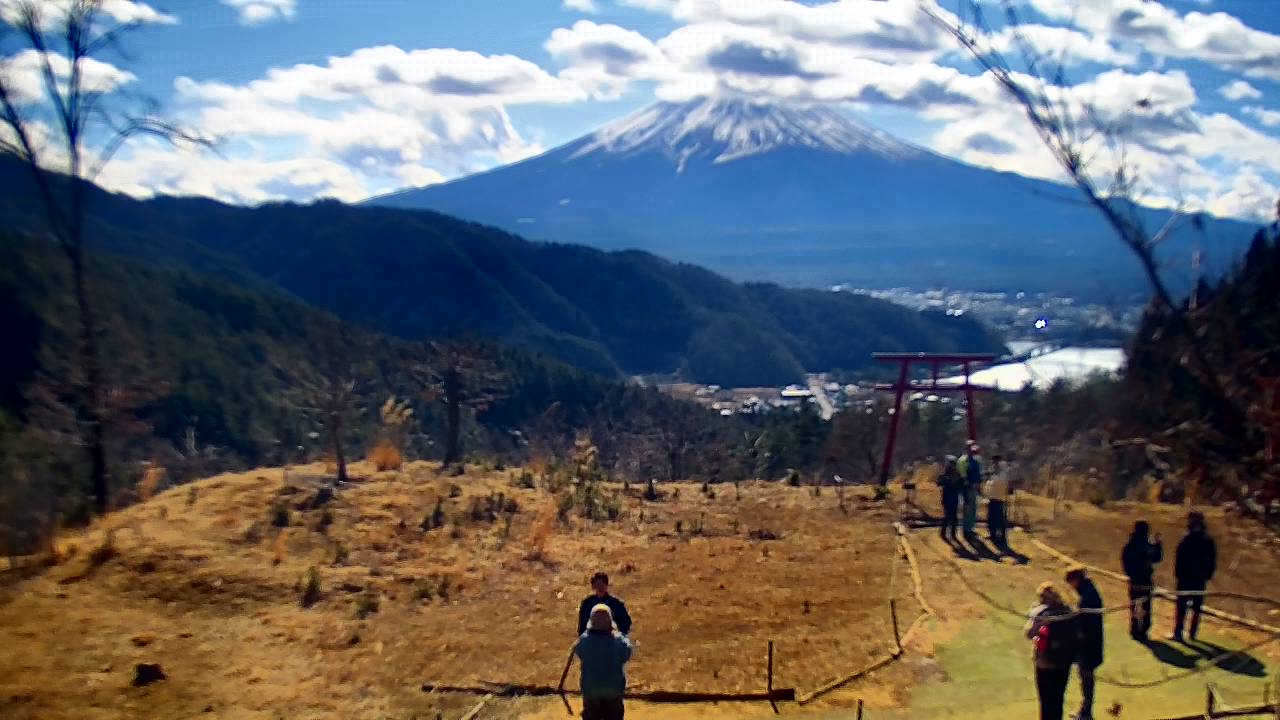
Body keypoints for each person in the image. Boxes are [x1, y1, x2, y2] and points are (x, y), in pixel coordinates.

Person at [1026, 582, 1078, 720]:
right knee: (1058, 699)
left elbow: (1029, 633)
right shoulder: (1068, 611)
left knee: (1046, 701)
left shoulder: (1041, 613)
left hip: (1044, 662)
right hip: (1063, 662)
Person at [574, 604, 633, 720]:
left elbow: (579, 651)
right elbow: (627, 654)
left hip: (591, 689)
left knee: (591, 714)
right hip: (614, 689)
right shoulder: (619, 641)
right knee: (614, 715)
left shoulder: (584, 641)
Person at [1172, 511, 1217, 642]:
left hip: (1192, 578)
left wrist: (1205, 573)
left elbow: (1210, 560)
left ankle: (1186, 633)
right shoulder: (1196, 539)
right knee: (1186, 606)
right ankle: (1183, 632)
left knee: (1191, 607)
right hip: (1191, 577)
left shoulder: (1199, 540)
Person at [1066, 567, 1103, 720]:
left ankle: (1086, 712)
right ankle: (1085, 710)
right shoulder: (1089, 592)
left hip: (1088, 647)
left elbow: (1084, 622)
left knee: (1086, 679)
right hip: (1092, 644)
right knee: (1086, 679)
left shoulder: (1088, 597)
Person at [1120, 520, 1162, 641]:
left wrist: (1157, 545)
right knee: (1144, 606)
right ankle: (1142, 630)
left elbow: (1155, 558)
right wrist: (1157, 546)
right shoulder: (1142, 546)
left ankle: (1136, 629)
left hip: (1137, 580)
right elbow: (1156, 558)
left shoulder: (1131, 545)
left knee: (1137, 606)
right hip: (1142, 579)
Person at [578, 572, 633, 636]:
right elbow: (582, 626)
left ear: (606, 585)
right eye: (597, 585)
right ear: (593, 586)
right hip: (592, 638)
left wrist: (618, 636)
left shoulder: (616, 603)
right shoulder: (587, 603)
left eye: (602, 584)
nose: (600, 587)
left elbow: (626, 623)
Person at [956, 443, 983, 537]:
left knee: (973, 509)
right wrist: (967, 483)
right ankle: (966, 529)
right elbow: (962, 475)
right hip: (967, 488)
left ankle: (970, 528)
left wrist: (978, 485)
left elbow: (978, 475)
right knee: (968, 509)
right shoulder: (963, 460)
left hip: (974, 487)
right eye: (971, 449)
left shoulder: (975, 461)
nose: (972, 452)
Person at [985, 454, 1011, 545]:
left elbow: (999, 482)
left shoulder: (1002, 473)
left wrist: (992, 476)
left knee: (999, 519)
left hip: (998, 498)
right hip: (992, 497)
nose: (993, 464)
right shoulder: (994, 472)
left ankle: (1001, 537)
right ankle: (992, 535)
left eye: (995, 462)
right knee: (991, 518)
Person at [937, 455, 962, 540]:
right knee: (948, 515)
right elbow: (939, 482)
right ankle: (945, 533)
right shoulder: (946, 473)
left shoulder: (955, 473)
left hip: (952, 496)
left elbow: (959, 484)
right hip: (948, 496)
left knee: (952, 515)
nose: (951, 465)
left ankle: (951, 533)